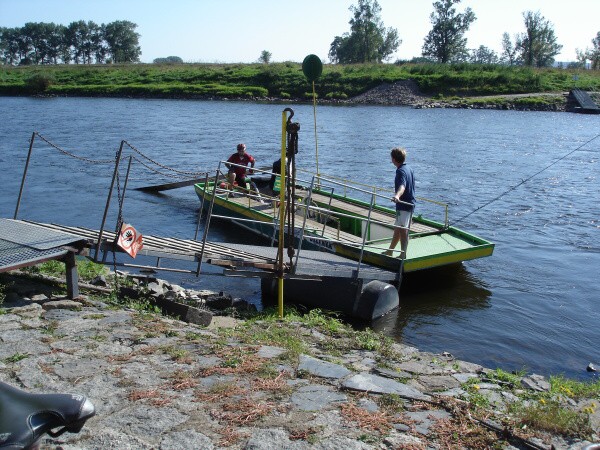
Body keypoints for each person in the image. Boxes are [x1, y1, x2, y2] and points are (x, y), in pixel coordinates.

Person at [384, 147, 415, 259]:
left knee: (403, 229)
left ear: (394, 159)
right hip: (407, 204)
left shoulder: (400, 171)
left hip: (404, 205)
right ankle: (390, 251)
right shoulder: (408, 168)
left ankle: (403, 254)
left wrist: (397, 196)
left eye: (391, 158)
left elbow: (403, 186)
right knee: (398, 228)